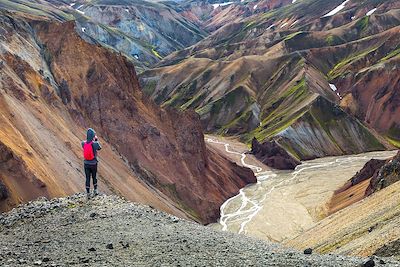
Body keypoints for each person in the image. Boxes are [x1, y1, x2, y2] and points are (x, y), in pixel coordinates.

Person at [82, 128, 102, 199]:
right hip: (93, 163)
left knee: (87, 178)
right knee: (94, 177)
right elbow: (99, 148)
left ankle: (88, 193)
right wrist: (96, 140)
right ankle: (95, 190)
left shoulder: (83, 143)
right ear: (93, 136)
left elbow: (84, 146)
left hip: (86, 163)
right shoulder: (95, 144)